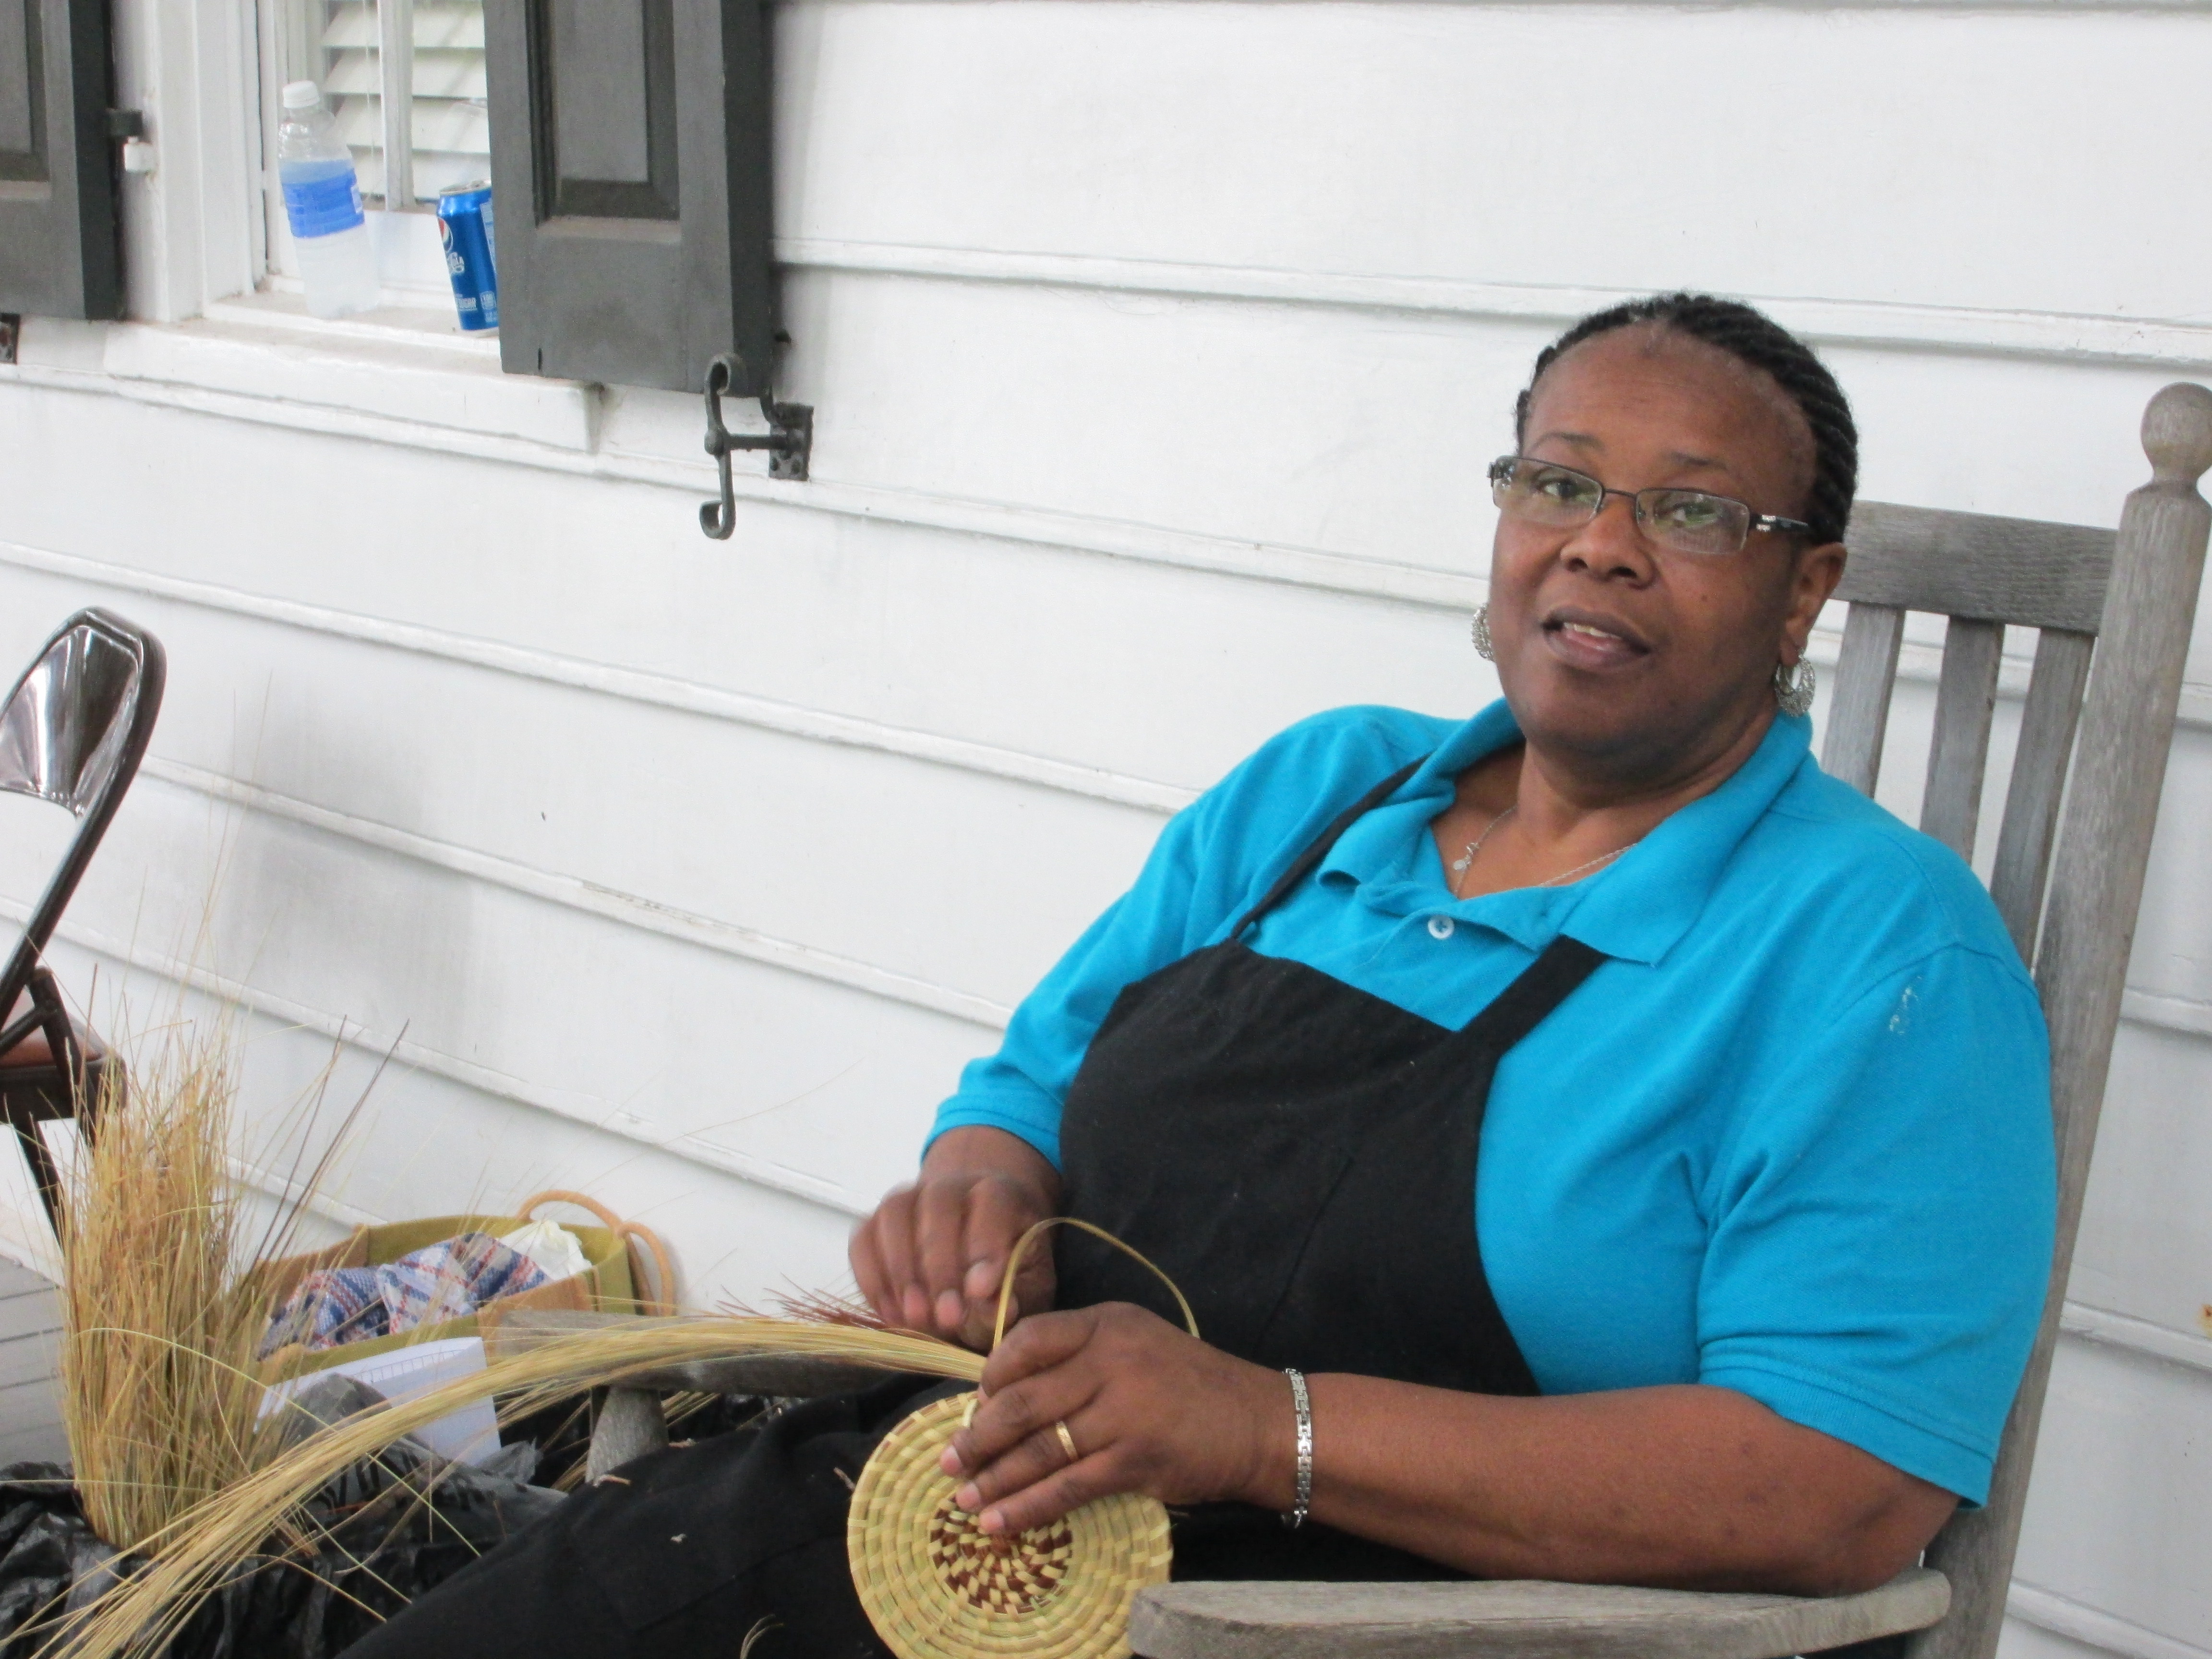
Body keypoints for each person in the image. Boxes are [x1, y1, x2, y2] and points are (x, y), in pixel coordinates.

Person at [344, 294, 2055, 1658]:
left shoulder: (1879, 956)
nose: (1601, 543)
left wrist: (1267, 1430)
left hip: (1407, 1634)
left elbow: (1836, 1491)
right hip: (980, 1541)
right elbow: (1024, 1092)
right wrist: (976, 1195)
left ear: (1803, 586)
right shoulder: (1329, 795)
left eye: (1690, 510)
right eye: (1559, 480)